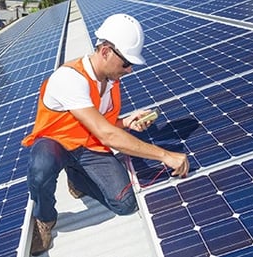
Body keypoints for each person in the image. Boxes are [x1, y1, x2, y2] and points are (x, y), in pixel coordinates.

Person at [21, 13, 189, 256]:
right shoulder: (70, 78)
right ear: (106, 51)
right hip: (55, 144)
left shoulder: (110, 82)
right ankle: (45, 219)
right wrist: (164, 155)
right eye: (126, 64)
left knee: (125, 204)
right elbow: (107, 134)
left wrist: (125, 122)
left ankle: (76, 178)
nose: (129, 70)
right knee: (41, 168)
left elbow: (103, 124)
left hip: (88, 147)